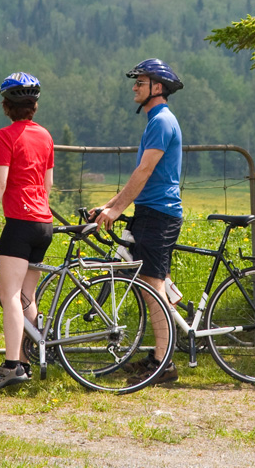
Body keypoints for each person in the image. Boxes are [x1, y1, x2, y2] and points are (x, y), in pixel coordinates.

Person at [96, 58, 184, 386]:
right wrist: (108, 205)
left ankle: (164, 364)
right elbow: (141, 175)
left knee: (152, 287)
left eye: (140, 82)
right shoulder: (155, 121)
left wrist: (116, 209)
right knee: (154, 283)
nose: (134, 87)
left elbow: (144, 172)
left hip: (158, 214)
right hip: (150, 212)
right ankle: (161, 355)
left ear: (157, 88)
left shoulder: (161, 121)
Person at [0, 72, 55, 392]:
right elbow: (48, 186)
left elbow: (0, 183)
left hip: (19, 224)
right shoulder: (45, 136)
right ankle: (27, 362)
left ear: (7, 106)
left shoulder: (5, 136)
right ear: (33, 106)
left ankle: (11, 365)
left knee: (9, 296)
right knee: (25, 296)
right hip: (44, 225)